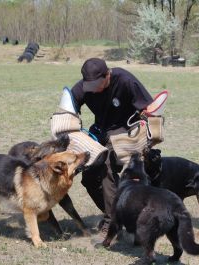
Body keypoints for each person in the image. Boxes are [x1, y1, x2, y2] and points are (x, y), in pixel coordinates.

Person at [70, 58, 153, 236]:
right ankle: (121, 214)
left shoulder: (125, 80)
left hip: (125, 131)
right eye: (91, 86)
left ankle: (112, 222)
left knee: (105, 164)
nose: (96, 89)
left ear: (108, 74)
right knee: (89, 177)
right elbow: (68, 106)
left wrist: (149, 127)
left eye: (99, 84)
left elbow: (150, 108)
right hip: (101, 131)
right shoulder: (84, 86)